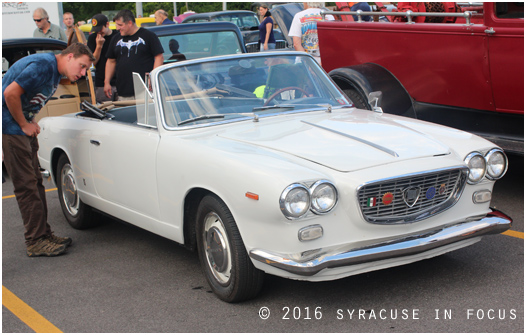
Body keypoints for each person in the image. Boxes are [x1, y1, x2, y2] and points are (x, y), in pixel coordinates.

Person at [2, 43, 95, 257]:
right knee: (27, 187)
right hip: (12, 129)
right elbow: (10, 94)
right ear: (69, 57)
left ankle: (43, 234)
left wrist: (29, 119)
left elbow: (26, 98)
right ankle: (35, 241)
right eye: (81, 67)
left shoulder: (54, 70)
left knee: (35, 182)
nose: (82, 74)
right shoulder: (43, 66)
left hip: (21, 128)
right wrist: (24, 124)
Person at [104, 9, 164, 101]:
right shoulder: (116, 38)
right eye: (116, 25)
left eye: (120, 25)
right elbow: (111, 61)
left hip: (145, 90)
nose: (117, 28)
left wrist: (153, 76)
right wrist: (107, 81)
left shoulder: (148, 36)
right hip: (123, 90)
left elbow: (159, 57)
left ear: (130, 23)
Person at [87, 14, 118, 103]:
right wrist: (99, 46)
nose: (98, 33)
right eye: (96, 30)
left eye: (100, 29)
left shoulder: (117, 36)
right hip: (101, 82)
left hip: (118, 81)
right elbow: (93, 63)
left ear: (107, 24)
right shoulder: (92, 38)